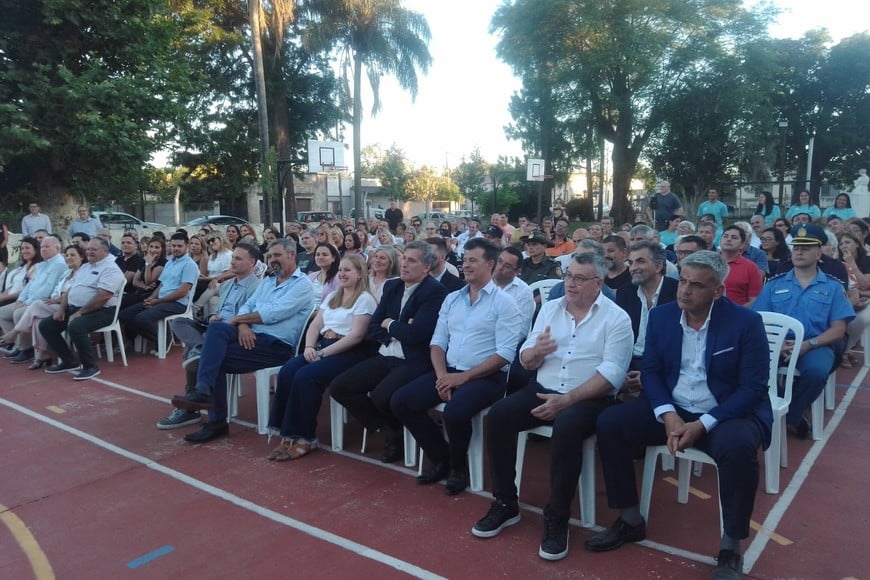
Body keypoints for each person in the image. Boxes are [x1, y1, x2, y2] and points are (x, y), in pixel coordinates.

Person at [587, 251, 772, 580]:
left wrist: (703, 424)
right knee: (610, 423)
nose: (685, 290)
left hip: (725, 412)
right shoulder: (662, 316)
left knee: (740, 450)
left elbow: (753, 388)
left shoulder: (746, 323)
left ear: (718, 291)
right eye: (683, 280)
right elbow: (653, 372)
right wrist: (668, 414)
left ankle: (731, 545)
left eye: (696, 285)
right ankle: (630, 519)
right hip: (674, 407)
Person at [472, 252, 632, 560]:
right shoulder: (550, 309)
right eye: (568, 276)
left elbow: (613, 374)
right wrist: (536, 354)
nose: (570, 283)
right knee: (499, 417)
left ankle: (557, 516)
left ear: (598, 283)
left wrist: (568, 400)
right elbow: (526, 356)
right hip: (543, 388)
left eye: (579, 278)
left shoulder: (616, 318)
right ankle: (505, 502)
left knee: (568, 427)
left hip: (588, 398)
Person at [391, 238, 523, 494]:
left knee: (454, 412)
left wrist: (462, 379)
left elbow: (505, 354)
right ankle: (443, 457)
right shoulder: (452, 299)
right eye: (465, 259)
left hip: (487, 377)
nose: (466, 265)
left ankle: (458, 468)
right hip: (448, 370)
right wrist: (442, 376)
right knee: (401, 401)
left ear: (491, 264)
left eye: (473, 260)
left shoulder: (504, 303)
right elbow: (438, 343)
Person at [170, 239, 314, 443]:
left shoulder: (302, 285)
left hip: (276, 346)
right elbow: (248, 306)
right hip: (251, 336)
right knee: (217, 328)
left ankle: (214, 416)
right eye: (270, 256)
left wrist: (238, 320)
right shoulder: (268, 281)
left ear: (291, 256)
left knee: (211, 357)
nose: (272, 260)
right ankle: (204, 390)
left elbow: (272, 314)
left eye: (277, 255)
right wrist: (244, 325)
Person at [330, 241, 447, 463]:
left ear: (426, 267)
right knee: (340, 387)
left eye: (412, 261)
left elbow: (418, 335)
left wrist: (390, 324)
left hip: (413, 360)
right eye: (404, 259)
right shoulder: (392, 286)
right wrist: (396, 328)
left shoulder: (434, 291)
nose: (404, 264)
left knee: (382, 396)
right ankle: (389, 429)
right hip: (385, 353)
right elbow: (374, 326)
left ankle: (396, 440)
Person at [267, 255, 376, 460]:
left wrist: (323, 353)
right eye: (341, 270)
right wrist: (309, 347)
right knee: (288, 370)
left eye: (348, 270)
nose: (342, 274)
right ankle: (287, 431)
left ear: (360, 274)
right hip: (322, 346)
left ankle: (306, 437)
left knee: (306, 376)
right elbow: (316, 325)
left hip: (350, 352)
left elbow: (357, 336)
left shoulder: (365, 299)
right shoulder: (333, 296)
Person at [752, 224, 854, 438]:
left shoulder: (833, 287)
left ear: (819, 253)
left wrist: (807, 345)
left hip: (816, 344)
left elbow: (838, 329)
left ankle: (790, 416)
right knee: (748, 367)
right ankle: (787, 408)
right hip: (778, 343)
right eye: (796, 246)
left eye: (806, 247)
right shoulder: (773, 285)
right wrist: (776, 344)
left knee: (816, 372)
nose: (799, 251)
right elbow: (759, 321)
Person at [155, 243, 262, 430]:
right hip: (216, 325)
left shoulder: (257, 287)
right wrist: (213, 316)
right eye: (233, 258)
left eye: (238, 258)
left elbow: (252, 317)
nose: (233, 262)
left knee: (195, 351)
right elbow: (220, 310)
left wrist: (227, 322)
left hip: (233, 330)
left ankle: (191, 408)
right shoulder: (227, 284)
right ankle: (200, 347)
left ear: (252, 262)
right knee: (178, 322)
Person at [38, 238, 126, 380]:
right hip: (77, 308)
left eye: (93, 249)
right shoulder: (85, 267)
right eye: (88, 249)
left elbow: (103, 296)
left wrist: (80, 312)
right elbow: (70, 290)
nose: (89, 252)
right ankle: (69, 361)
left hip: (103, 311)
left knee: (76, 326)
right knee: (46, 326)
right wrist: (61, 309)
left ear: (105, 251)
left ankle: (90, 366)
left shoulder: (111, 269)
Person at [2, 245, 85, 369]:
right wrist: (55, 298)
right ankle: (42, 355)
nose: (69, 258)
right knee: (37, 318)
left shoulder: (83, 273)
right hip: (55, 303)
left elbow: (76, 294)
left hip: (69, 306)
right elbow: (56, 289)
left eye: (73, 255)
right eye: (67, 255)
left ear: (82, 257)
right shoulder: (67, 272)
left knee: (36, 305)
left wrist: (58, 299)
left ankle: (15, 332)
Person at [119, 232, 199, 350]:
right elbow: (162, 284)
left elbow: (183, 292)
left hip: (178, 303)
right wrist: (151, 298)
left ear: (186, 246)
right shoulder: (170, 263)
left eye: (179, 246)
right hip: (161, 300)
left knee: (141, 318)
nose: (176, 248)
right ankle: (159, 339)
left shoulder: (189, 265)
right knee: (125, 315)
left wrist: (159, 301)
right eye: (173, 245)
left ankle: (164, 340)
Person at [616, 241, 678, 382]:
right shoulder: (625, 292)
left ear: (658, 266)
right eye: (630, 263)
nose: (633, 268)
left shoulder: (677, 292)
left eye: (640, 261)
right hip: (629, 362)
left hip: (665, 364)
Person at [719, 225, 763, 306]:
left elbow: (755, 300)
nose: (729, 239)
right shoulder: (709, 263)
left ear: (742, 245)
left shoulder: (751, 268)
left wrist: (737, 313)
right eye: (725, 236)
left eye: (734, 237)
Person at [123, 237, 166, 309]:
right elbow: (135, 281)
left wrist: (148, 265)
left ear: (162, 249)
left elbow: (148, 281)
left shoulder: (162, 263)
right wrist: (144, 287)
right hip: (140, 292)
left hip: (151, 296)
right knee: (120, 300)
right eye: (151, 247)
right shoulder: (143, 261)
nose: (153, 250)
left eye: (157, 247)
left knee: (124, 305)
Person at [307, 242, 340, 308]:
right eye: (317, 254)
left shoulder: (339, 278)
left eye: (325, 255)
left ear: (333, 258)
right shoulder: (311, 276)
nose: (320, 257)